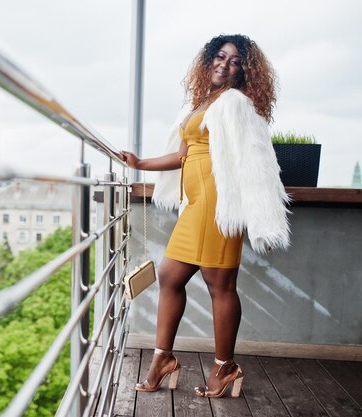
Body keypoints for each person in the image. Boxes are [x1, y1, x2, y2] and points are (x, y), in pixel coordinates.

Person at [120, 34, 290, 398]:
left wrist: (265, 222)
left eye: (235, 61)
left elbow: (257, 162)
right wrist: (140, 163)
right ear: (209, 59)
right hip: (196, 204)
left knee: (219, 285)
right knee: (170, 276)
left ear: (245, 70)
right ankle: (163, 359)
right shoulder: (201, 103)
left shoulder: (236, 103)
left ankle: (224, 367)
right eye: (220, 56)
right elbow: (183, 155)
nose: (224, 64)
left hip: (219, 203)